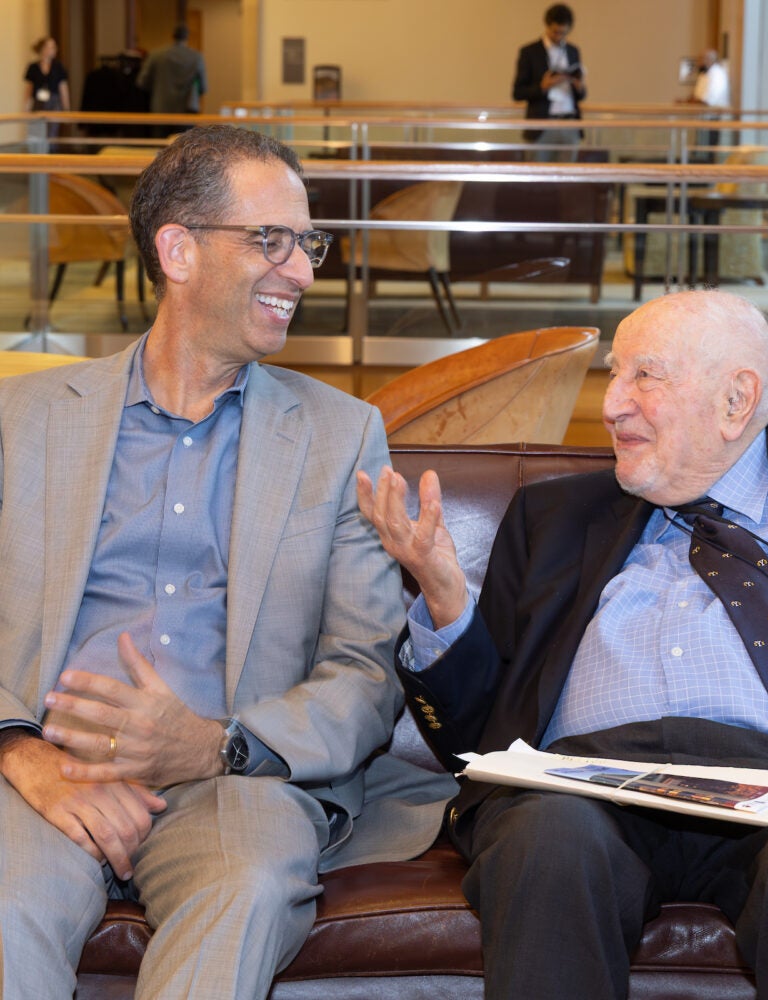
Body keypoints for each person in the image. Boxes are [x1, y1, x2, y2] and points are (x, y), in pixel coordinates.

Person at [0, 123, 454, 999]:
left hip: (238, 783)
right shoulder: (21, 420)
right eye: (271, 240)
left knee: (241, 891)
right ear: (178, 251)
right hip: (46, 772)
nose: (303, 272)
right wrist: (20, 752)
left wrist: (217, 743)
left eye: (308, 244)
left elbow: (366, 673)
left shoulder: (339, 437)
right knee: (6, 907)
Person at [358, 289, 768, 1000]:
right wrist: (443, 593)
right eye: (614, 374)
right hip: (584, 790)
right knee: (546, 841)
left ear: (735, 400)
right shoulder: (555, 517)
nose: (612, 404)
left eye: (644, 376)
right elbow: (476, 738)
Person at [511, 3, 586, 161]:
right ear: (547, 26)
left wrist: (579, 87)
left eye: (563, 33)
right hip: (542, 125)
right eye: (555, 32)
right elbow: (517, 92)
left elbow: (581, 95)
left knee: (568, 174)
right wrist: (542, 87)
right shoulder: (530, 52)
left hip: (569, 123)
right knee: (536, 174)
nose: (559, 36)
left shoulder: (573, 51)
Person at [136, 24, 208, 136]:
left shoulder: (156, 55)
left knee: (160, 145)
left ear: (172, 35)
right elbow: (203, 87)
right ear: (187, 36)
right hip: (186, 111)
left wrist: (158, 88)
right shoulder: (196, 57)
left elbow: (142, 82)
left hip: (161, 109)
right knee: (184, 145)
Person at [23, 36, 70, 113]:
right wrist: (26, 107)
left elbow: (63, 89)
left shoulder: (58, 67)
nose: (53, 50)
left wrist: (66, 109)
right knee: (38, 119)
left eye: (54, 47)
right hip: (38, 102)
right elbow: (29, 89)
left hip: (54, 103)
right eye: (50, 47)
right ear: (42, 49)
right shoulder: (33, 67)